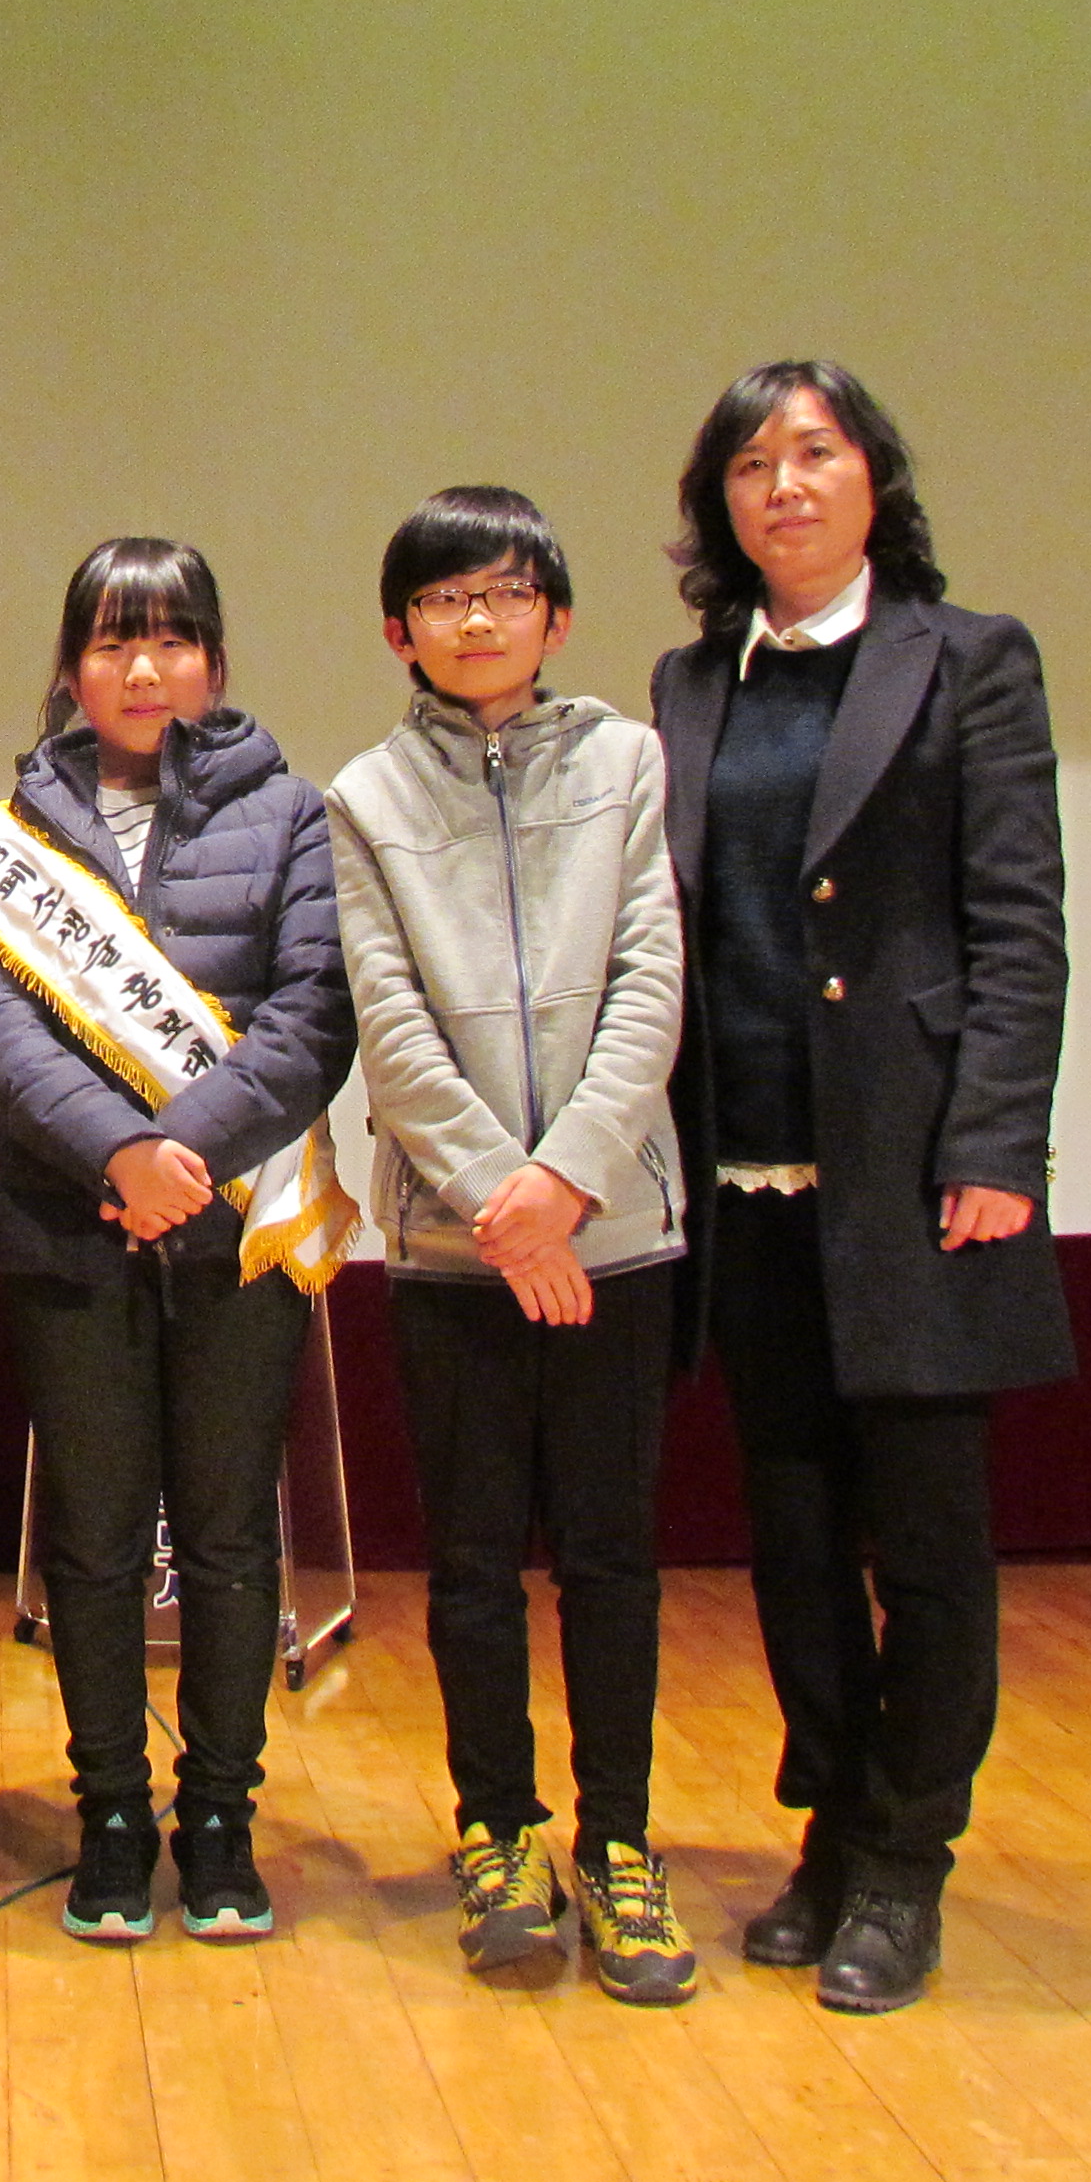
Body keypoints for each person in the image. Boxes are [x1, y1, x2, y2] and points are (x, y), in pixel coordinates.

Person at [649, 363, 1069, 2018]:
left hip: (911, 1174)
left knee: (930, 1539)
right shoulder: (693, 684)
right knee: (795, 1531)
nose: (785, 485)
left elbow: (1018, 923)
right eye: (751, 463)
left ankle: (908, 1856)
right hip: (743, 1171)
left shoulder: (969, 660)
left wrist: (994, 1147)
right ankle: (828, 1823)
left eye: (815, 453)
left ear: (873, 479)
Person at [0, 540, 357, 1946]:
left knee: (233, 1537)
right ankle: (111, 1814)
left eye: (172, 639)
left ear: (215, 664)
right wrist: (118, 1155)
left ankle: (222, 1815)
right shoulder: (9, 833)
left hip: (237, 1235)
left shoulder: (293, 816)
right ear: (71, 668)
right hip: (70, 1229)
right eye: (113, 641)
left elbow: (313, 1015)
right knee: (97, 1537)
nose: (142, 667)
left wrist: (185, 1154)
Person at [325, 486, 698, 2002]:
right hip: (451, 1250)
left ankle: (621, 1843)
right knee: (473, 1566)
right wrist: (503, 1198)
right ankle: (497, 1830)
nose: (476, 619)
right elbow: (390, 1025)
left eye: (505, 592)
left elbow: (652, 982)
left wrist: (570, 1186)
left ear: (557, 616)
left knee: (612, 1561)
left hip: (618, 1237)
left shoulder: (627, 764)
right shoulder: (363, 797)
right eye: (445, 597)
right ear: (399, 631)